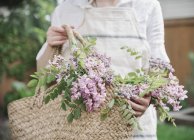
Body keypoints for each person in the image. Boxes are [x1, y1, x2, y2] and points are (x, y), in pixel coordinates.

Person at [36, 0, 170, 139]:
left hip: (132, 126)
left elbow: (161, 67)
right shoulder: (65, 9)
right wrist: (50, 46)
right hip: (78, 129)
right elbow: (44, 76)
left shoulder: (146, 6)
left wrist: (148, 97)